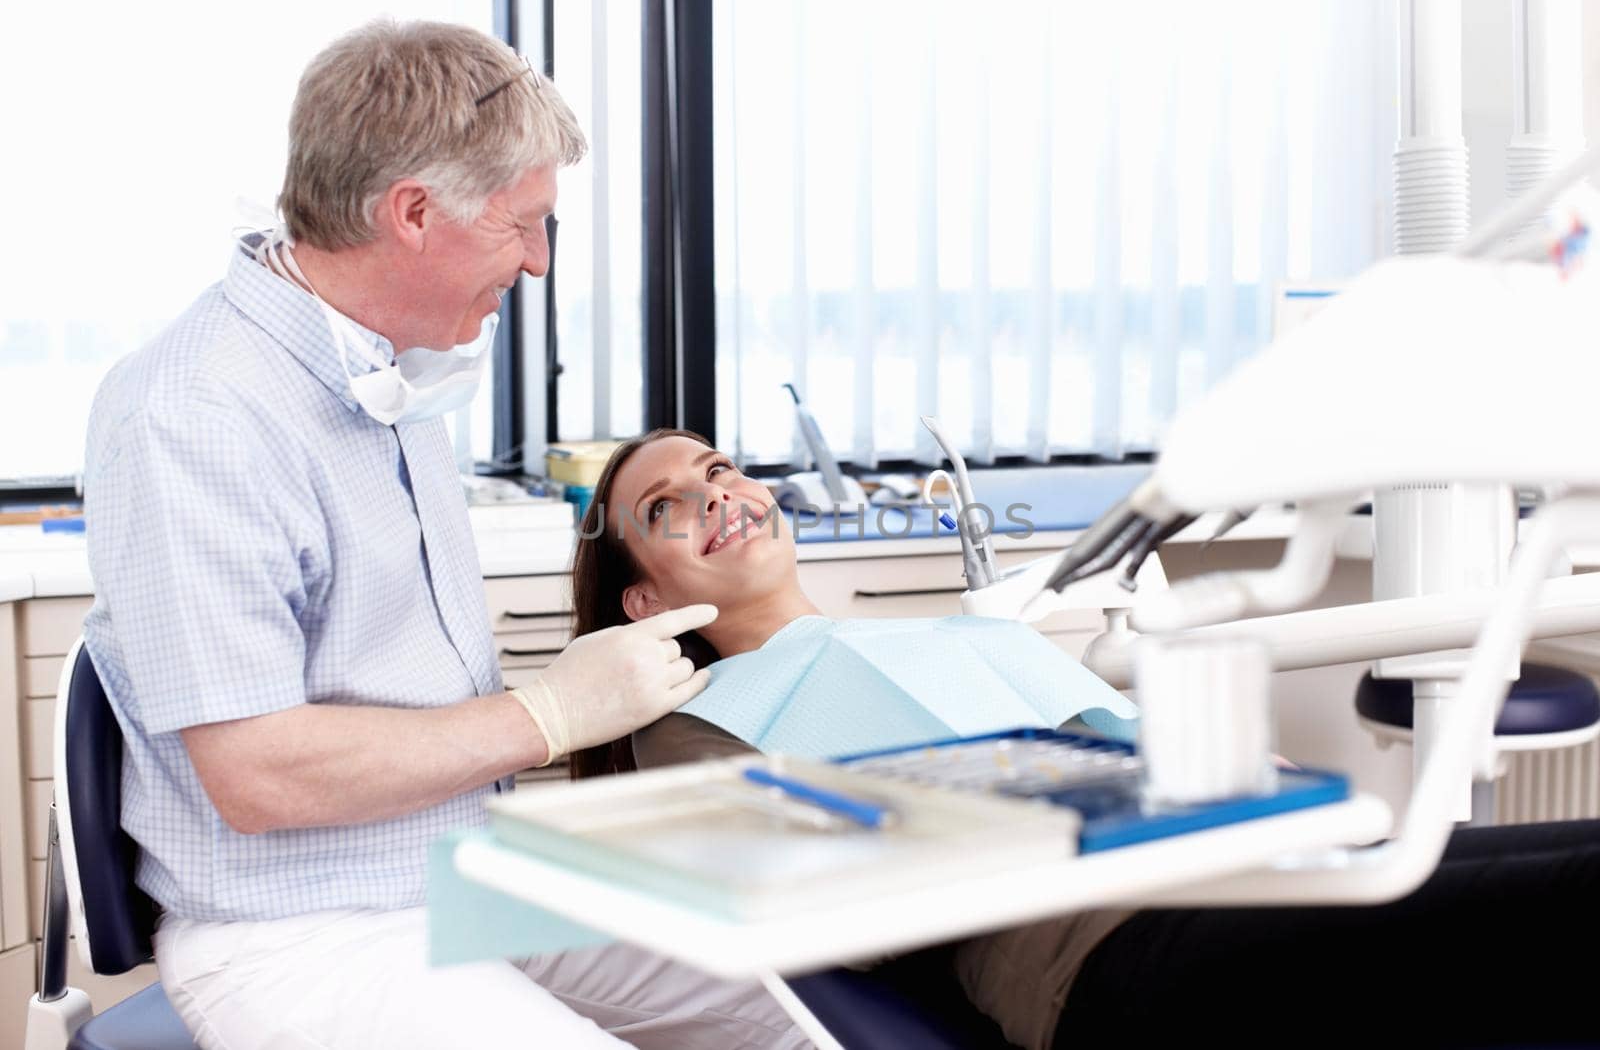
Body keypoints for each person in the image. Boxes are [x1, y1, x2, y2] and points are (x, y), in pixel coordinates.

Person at [83, 23, 805, 1050]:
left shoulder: (390, 373)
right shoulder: (198, 416)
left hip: (466, 874)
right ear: (412, 212)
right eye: (525, 226)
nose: (540, 261)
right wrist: (549, 709)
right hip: (307, 929)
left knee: (812, 1015)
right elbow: (259, 773)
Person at [569, 428, 1600, 1047]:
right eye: (669, 505)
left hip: (1263, 863)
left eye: (721, 470)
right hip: (1118, 950)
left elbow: (1126, 739)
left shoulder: (940, 641)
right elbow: (815, 903)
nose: (717, 495)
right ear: (645, 592)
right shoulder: (693, 727)